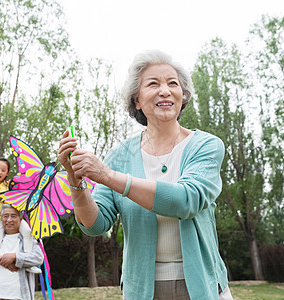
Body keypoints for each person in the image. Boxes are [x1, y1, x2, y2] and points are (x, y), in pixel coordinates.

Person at [58, 50, 233, 300]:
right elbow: (95, 225)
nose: (165, 91)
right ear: (137, 100)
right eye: (153, 84)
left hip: (203, 285)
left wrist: (108, 176)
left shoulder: (206, 146)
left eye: (173, 83)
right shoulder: (120, 156)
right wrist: (76, 183)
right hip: (142, 289)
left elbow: (186, 200)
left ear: (182, 96)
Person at [0, 158, 41, 295]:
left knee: (28, 232)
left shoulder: (9, 186)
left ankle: (30, 263)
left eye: (3, 170)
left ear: (7, 173)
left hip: (14, 219)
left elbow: (22, 194)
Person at [0, 204, 44, 300]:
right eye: (5, 216)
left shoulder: (30, 237)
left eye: (13, 216)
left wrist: (15, 257)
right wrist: (0, 259)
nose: (9, 220)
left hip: (19, 296)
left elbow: (38, 258)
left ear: (20, 219)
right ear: (1, 218)